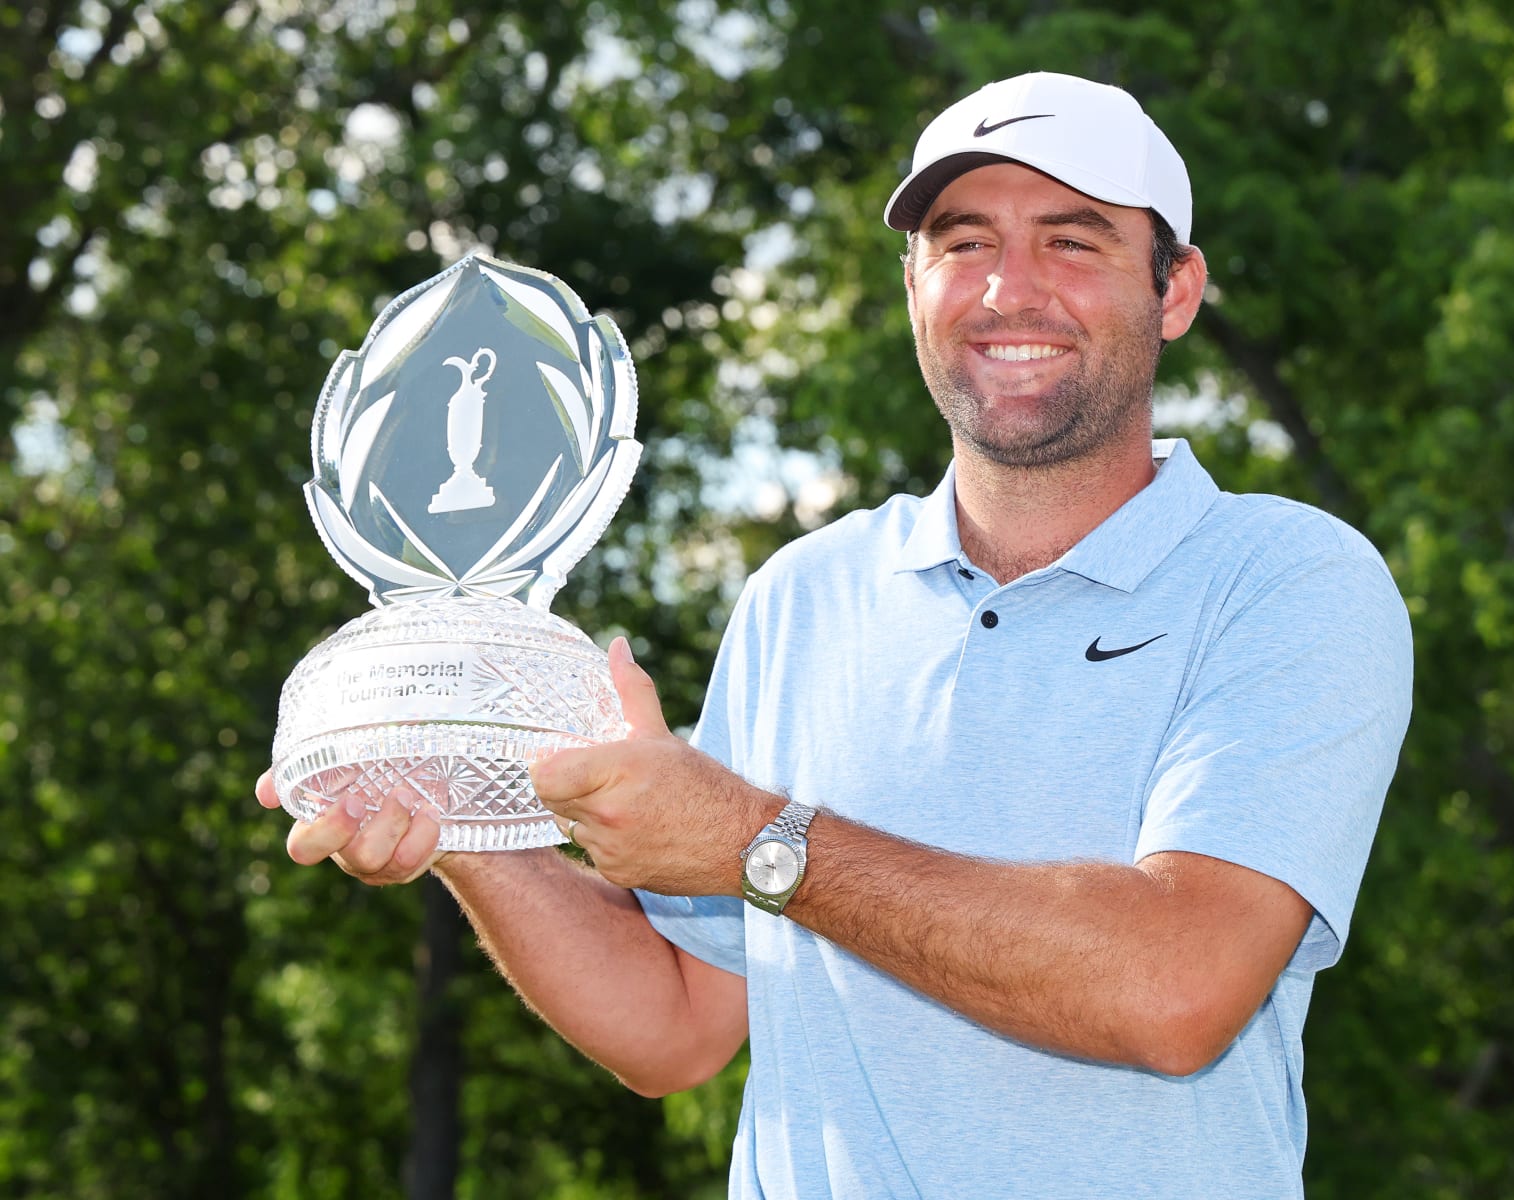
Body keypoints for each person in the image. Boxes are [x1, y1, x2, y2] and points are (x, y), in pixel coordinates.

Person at [258, 71, 1412, 1198]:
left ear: (1174, 290)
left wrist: (764, 841)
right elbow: (676, 1026)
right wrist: (463, 815)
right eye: (964, 242)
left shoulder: (1286, 580)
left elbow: (1178, 985)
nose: (1011, 288)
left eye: (1073, 240)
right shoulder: (804, 594)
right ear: (913, 283)